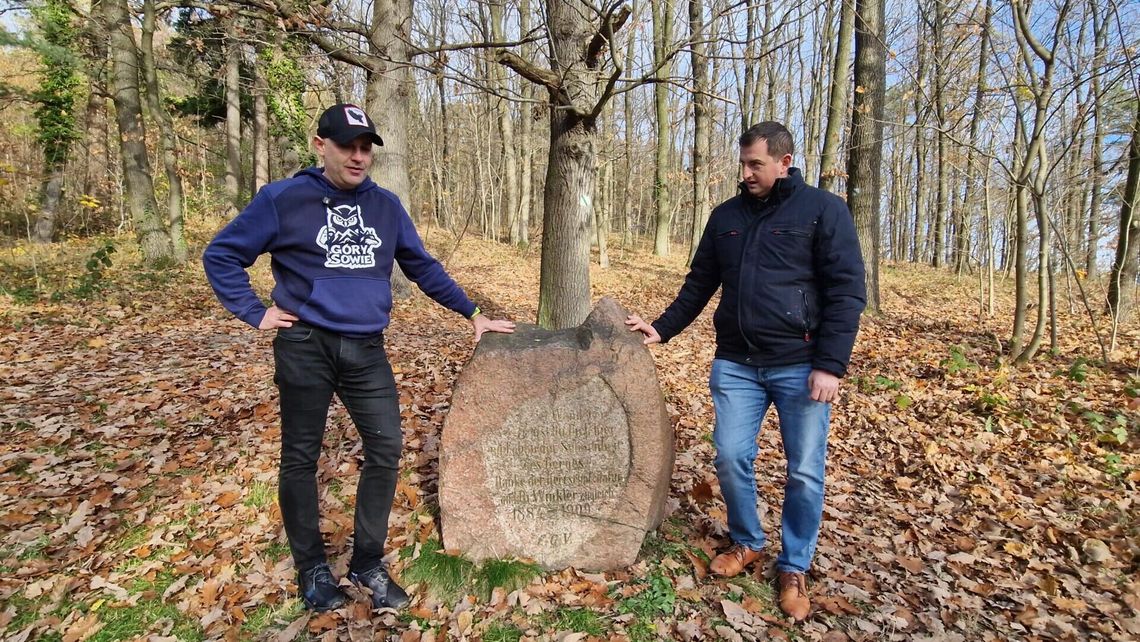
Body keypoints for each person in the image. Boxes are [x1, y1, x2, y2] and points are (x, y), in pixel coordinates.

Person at [203, 104, 515, 612]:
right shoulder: (283, 199)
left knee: (386, 448)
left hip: (366, 349)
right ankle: (311, 568)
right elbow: (222, 254)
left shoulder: (385, 206)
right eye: (347, 146)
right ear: (320, 145)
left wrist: (473, 313)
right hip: (305, 345)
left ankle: (367, 562)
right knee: (301, 457)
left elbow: (422, 266)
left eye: (365, 147)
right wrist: (254, 312)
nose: (358, 156)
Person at [626, 121, 865, 621]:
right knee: (731, 456)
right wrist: (662, 328)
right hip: (737, 363)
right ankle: (748, 540)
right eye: (743, 164)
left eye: (756, 164)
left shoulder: (823, 211)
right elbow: (699, 283)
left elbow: (846, 292)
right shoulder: (726, 217)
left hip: (801, 364)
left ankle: (794, 566)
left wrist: (830, 365)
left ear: (784, 162)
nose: (747, 173)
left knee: (804, 472)